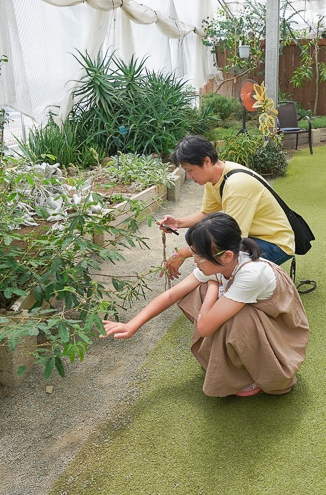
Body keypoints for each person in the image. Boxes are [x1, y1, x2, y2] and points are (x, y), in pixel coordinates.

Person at [102, 212, 309, 397]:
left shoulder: (251, 273)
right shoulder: (223, 258)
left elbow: (204, 327)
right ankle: (237, 366)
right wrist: (132, 325)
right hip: (254, 313)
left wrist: (213, 287)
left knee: (235, 317)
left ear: (226, 256)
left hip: (278, 328)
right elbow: (171, 295)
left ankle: (263, 374)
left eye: (198, 256)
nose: (194, 261)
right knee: (201, 295)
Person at [158, 135, 294, 279]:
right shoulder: (215, 177)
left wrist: (182, 254)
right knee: (194, 234)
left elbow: (231, 241)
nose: (189, 176)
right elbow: (205, 215)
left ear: (207, 161)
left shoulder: (237, 185)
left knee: (223, 255)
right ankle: (220, 277)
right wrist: (177, 223)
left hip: (274, 244)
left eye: (190, 170)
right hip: (250, 236)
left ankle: (235, 283)